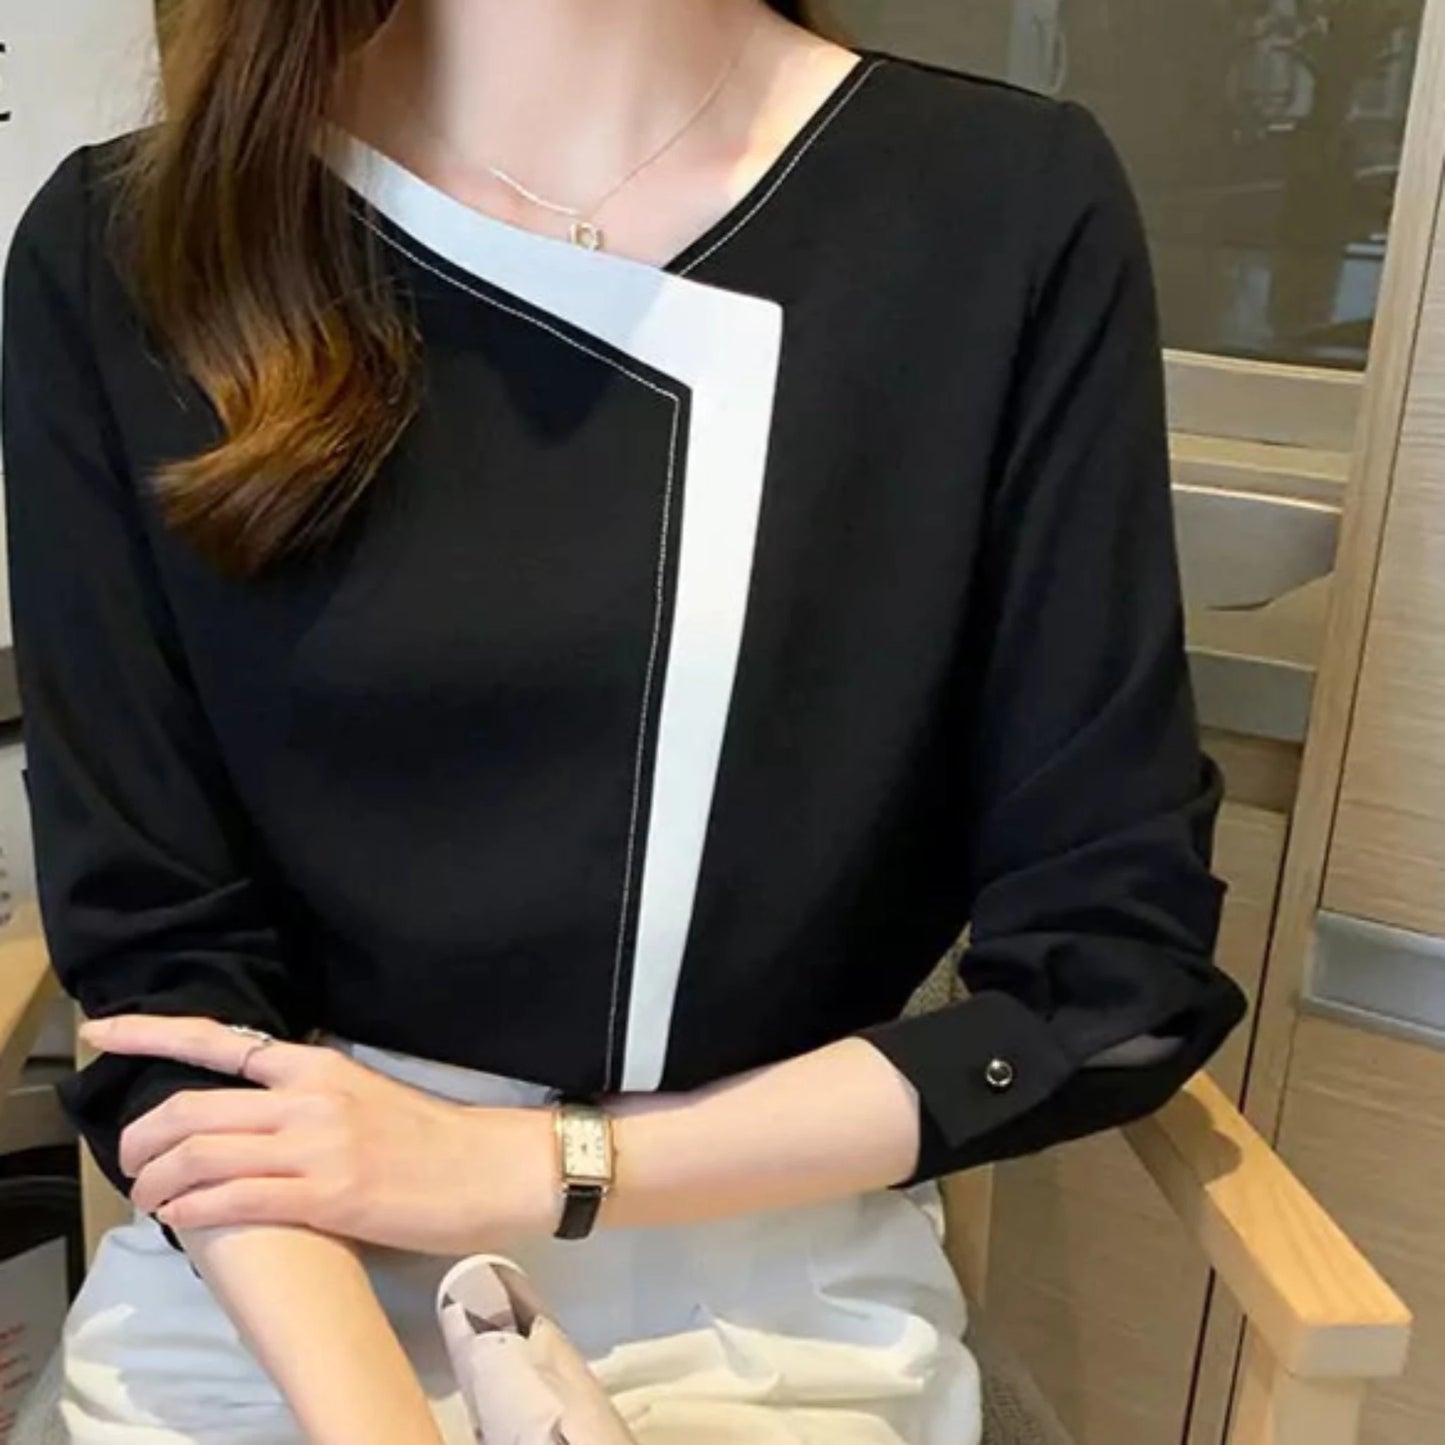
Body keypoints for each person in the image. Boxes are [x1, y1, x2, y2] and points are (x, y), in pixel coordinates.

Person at [1, 1, 1248, 1441]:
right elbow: (163, 973)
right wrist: (380, 1421)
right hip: (276, 1277)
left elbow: (1108, 973)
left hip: (769, 1282)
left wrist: (537, 1165)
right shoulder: (127, 245)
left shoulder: (1001, 209)